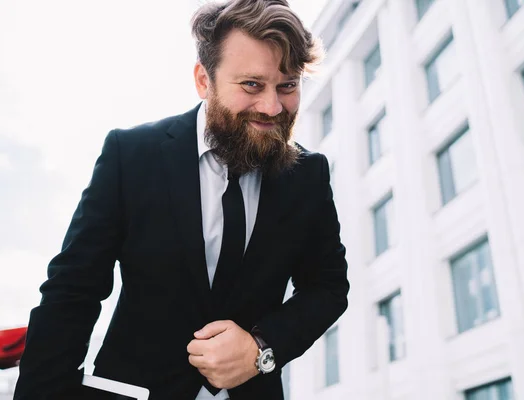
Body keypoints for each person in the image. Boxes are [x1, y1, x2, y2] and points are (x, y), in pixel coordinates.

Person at [14, 0, 349, 399]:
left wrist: (262, 348)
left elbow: (328, 288)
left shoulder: (308, 176)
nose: (272, 107)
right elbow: (72, 290)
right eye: (252, 85)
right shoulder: (131, 154)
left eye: (288, 85)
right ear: (203, 80)